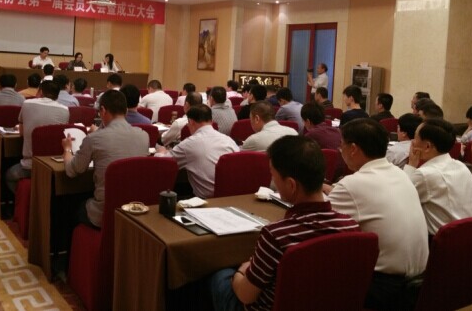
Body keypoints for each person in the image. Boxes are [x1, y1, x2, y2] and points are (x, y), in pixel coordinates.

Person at [210, 135, 359, 311]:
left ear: (291, 185)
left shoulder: (276, 235)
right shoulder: (351, 226)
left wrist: (242, 271)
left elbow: (245, 295)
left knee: (220, 276)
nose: (273, 181)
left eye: (273, 175)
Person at [327, 118, 428, 310]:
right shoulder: (400, 174)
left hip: (384, 288)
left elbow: (319, 222)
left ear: (353, 149)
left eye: (341, 145)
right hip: (420, 283)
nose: (340, 150)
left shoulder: (351, 185)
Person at [62, 90, 149, 227]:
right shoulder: (144, 135)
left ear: (102, 110)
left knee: (69, 206)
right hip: (134, 211)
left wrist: (67, 149)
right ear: (126, 111)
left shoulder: (94, 138)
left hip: (104, 213)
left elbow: (72, 171)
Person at [403, 118, 472, 235]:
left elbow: (400, 199)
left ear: (427, 146)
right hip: (471, 236)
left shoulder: (425, 174)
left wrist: (411, 164)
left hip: (442, 241)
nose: (412, 142)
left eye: (415, 137)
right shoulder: (461, 166)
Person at [156, 105, 238, 198]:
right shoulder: (229, 140)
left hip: (206, 201)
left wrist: (161, 152)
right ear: (211, 121)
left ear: (191, 122)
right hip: (233, 196)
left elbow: (163, 164)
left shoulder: (189, 144)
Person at [5, 81, 69, 196]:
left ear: (40, 92)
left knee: (10, 175)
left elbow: (21, 133)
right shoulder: (65, 110)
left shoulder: (27, 103)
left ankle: (27, 201)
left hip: (30, 166)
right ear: (57, 96)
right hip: (54, 165)